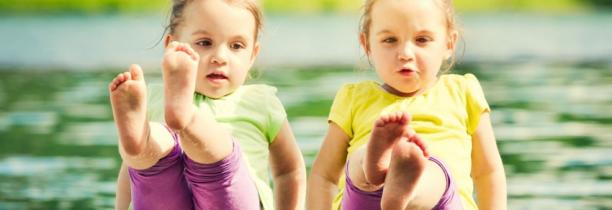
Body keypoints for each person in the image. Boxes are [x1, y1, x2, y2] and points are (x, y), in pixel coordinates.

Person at [307, 0, 507, 209]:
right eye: (390, 40)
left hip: (437, 200)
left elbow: (487, 172)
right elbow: (324, 176)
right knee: (360, 163)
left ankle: (406, 190)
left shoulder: (462, 91)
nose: (405, 53)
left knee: (433, 172)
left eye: (422, 39)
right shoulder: (354, 97)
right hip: (366, 199)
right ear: (367, 45)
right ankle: (377, 166)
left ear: (449, 43)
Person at [109, 0, 306, 209]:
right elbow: (290, 171)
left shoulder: (260, 101)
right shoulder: (157, 98)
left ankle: (180, 121)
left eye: (236, 46)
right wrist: (136, 149)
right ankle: (165, 129)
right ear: (171, 46)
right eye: (204, 43)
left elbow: (289, 169)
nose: (220, 57)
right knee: (153, 153)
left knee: (157, 162)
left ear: (252, 56)